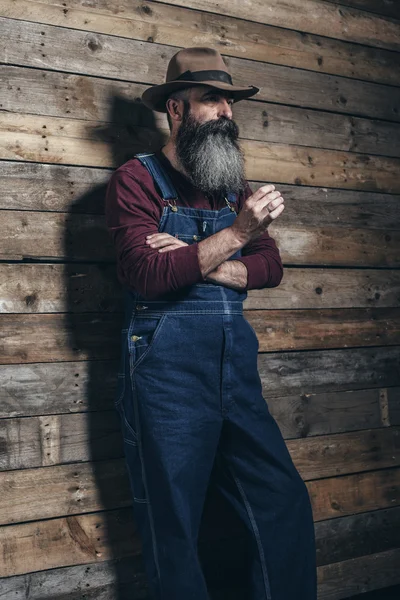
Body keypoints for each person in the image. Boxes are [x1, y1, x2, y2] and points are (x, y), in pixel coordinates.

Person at [105, 46, 317, 600]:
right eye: (211, 100)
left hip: (233, 370)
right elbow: (148, 273)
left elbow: (269, 269)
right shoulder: (137, 180)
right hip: (165, 376)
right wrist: (237, 235)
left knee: (282, 503)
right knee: (175, 525)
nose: (226, 112)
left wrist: (201, 259)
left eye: (229, 101)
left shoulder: (232, 186)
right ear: (176, 109)